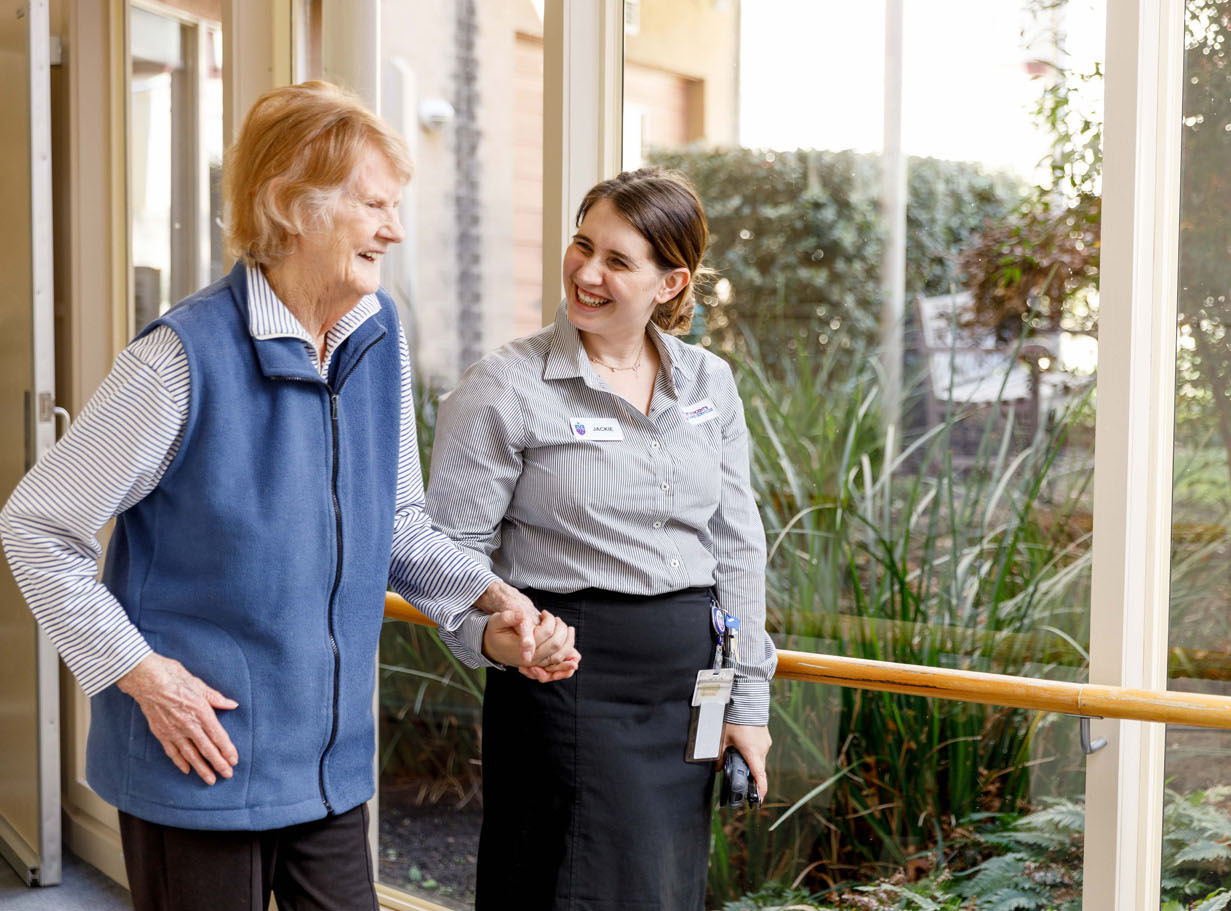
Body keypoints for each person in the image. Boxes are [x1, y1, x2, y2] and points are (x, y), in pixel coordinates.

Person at [0, 80, 578, 911]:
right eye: (373, 204)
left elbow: (400, 526)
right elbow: (37, 526)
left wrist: (497, 597)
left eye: (394, 205)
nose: (394, 228)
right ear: (292, 206)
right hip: (201, 762)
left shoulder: (377, 336)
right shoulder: (177, 360)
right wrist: (140, 673)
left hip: (329, 769)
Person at [426, 167, 777, 910]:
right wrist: (496, 639)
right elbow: (444, 553)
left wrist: (747, 703)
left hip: (686, 690)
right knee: (563, 887)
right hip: (564, 678)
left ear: (671, 281)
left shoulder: (710, 385)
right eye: (582, 245)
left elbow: (738, 545)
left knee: (661, 890)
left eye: (617, 260)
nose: (586, 272)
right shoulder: (504, 387)